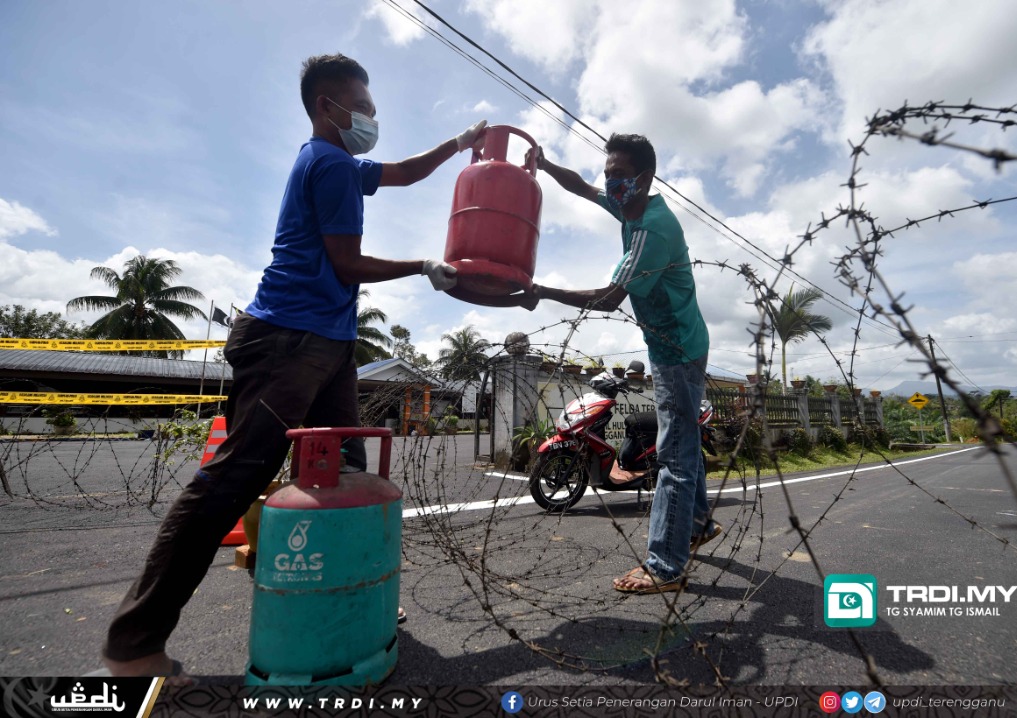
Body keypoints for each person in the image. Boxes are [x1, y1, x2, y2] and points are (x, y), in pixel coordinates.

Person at [101, 53, 487, 680]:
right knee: (232, 479)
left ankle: (347, 592)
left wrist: (460, 142)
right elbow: (346, 264)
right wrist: (422, 267)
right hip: (288, 338)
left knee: (345, 471)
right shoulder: (329, 164)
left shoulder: (342, 163)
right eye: (362, 108)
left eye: (373, 108)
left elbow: (406, 172)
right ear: (326, 107)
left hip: (328, 344)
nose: (371, 118)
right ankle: (133, 645)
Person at [522, 134, 720, 594]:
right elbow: (581, 188)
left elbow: (611, 298)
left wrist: (544, 291)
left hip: (679, 352)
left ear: (644, 179)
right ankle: (699, 523)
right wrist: (546, 165)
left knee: (674, 456)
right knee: (684, 441)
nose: (610, 183)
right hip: (672, 345)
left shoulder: (652, 229)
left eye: (619, 175)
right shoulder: (628, 206)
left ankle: (665, 565)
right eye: (608, 173)